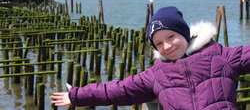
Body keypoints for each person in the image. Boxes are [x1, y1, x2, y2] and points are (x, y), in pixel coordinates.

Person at [50, 6, 250, 109]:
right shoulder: (156, 74)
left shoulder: (220, 55)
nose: (167, 46)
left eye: (171, 36)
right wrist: (78, 95)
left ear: (185, 33)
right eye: (159, 43)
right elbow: (119, 89)